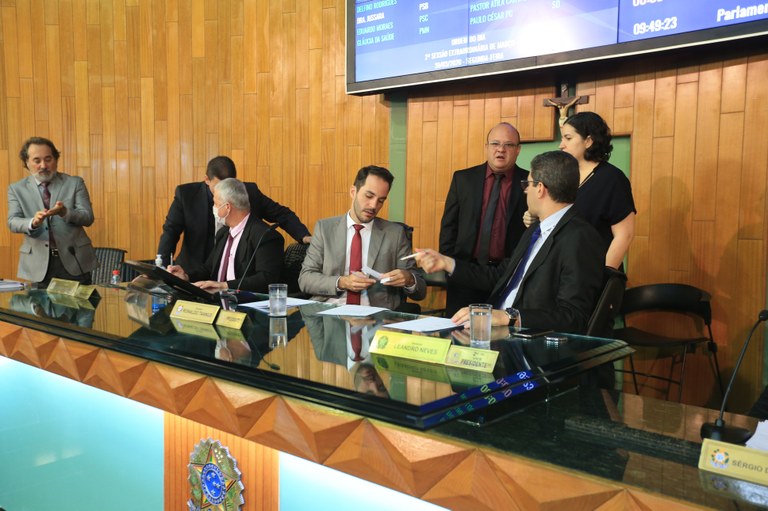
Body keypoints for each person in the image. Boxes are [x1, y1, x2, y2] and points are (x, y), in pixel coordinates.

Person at [416, 151, 605, 334]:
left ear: (540, 189)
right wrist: (446, 262)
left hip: (524, 340)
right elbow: (500, 276)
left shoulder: (580, 237)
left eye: (528, 184)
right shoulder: (535, 229)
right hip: (494, 330)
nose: (525, 190)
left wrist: (509, 317)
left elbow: (573, 317)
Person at [298, 165, 426, 310]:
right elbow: (306, 279)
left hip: (376, 316)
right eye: (369, 196)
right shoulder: (325, 229)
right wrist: (342, 282)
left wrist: (409, 279)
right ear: (353, 192)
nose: (373, 206)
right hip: (329, 313)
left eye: (381, 200)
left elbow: (420, 291)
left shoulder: (395, 234)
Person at [157, 155, 310, 270]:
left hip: (234, 276)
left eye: (230, 184)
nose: (225, 190)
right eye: (219, 186)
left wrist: (303, 236)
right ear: (207, 180)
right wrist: (161, 269)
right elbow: (171, 232)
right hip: (194, 270)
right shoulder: (186, 195)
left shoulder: (248, 193)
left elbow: (282, 214)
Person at [525, 112, 636, 270]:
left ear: (588, 141)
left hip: (593, 269)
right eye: (562, 138)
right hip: (560, 268)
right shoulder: (562, 174)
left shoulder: (612, 178)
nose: (561, 145)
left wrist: (604, 274)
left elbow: (624, 235)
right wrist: (533, 217)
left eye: (568, 138)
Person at [439, 122, 529, 316]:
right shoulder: (463, 179)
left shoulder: (529, 183)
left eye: (508, 145)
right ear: (487, 147)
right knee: (458, 330)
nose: (501, 149)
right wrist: (450, 267)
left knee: (503, 332)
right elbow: (449, 227)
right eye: (495, 143)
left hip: (507, 277)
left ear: (518, 150)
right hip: (465, 274)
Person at [7, 137, 98, 286]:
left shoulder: (75, 183)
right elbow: (12, 221)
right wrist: (32, 222)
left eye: (48, 159)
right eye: (37, 160)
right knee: (39, 301)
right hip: (38, 264)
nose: (43, 165)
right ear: (27, 162)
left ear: (56, 160)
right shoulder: (17, 189)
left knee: (80, 301)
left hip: (74, 260)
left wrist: (65, 212)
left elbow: (88, 217)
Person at [167, 178, 284, 293]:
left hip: (245, 303)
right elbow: (208, 269)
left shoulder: (265, 236)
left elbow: (266, 279)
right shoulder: (223, 233)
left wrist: (224, 286)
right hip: (215, 301)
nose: (213, 208)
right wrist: (186, 276)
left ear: (227, 207)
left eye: (216, 204)